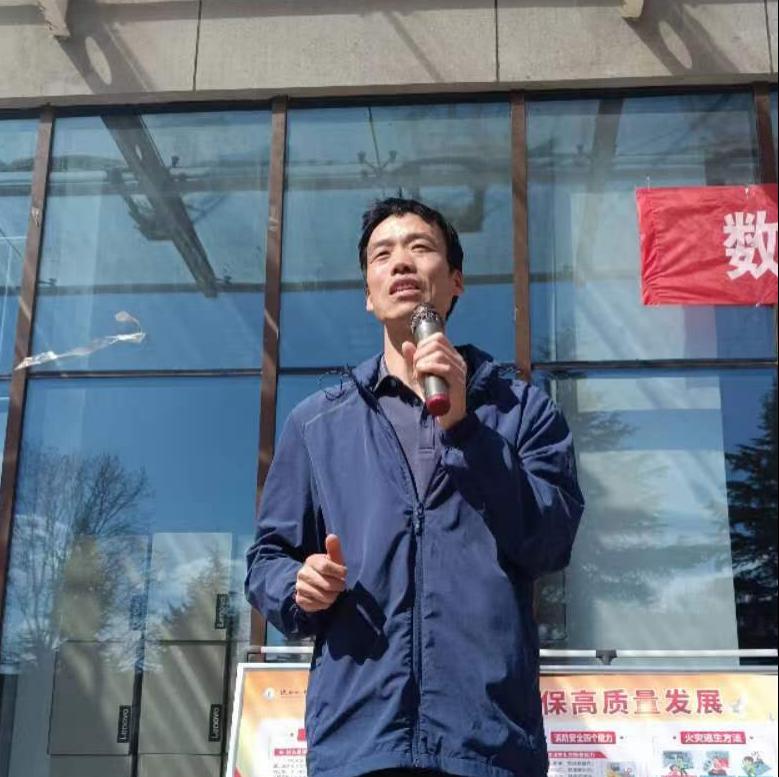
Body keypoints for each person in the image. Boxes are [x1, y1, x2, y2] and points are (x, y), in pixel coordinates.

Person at [245, 197, 585, 777]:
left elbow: (550, 543)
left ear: (456, 282)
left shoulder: (523, 412)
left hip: (489, 744)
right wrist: (297, 585)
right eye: (382, 255)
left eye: (420, 248)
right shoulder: (316, 423)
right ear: (368, 293)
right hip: (360, 745)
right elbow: (266, 561)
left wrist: (467, 430)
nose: (400, 261)